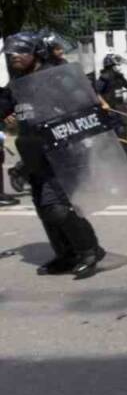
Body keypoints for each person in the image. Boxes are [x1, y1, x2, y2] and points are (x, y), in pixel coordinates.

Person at [2, 31, 106, 276]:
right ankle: (66, 254)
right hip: (34, 154)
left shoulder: (57, 76)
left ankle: (89, 251)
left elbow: (84, 106)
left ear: (36, 52)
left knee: (56, 207)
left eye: (21, 52)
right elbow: (4, 105)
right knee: (43, 209)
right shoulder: (16, 82)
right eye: (11, 53)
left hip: (65, 152)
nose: (14, 56)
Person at [95, 54, 127, 160]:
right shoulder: (104, 77)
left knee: (122, 128)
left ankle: (126, 151)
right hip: (110, 108)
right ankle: (122, 152)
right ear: (110, 66)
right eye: (117, 65)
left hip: (119, 106)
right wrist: (104, 103)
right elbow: (96, 92)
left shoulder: (119, 76)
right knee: (115, 130)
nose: (119, 67)